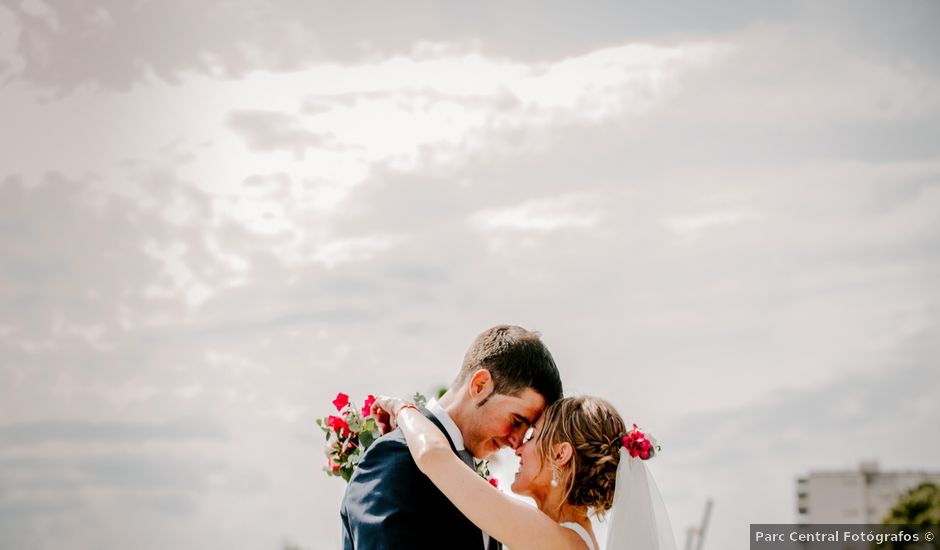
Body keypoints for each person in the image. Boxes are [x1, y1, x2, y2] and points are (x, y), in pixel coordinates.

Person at [340, 325, 563, 550]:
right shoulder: (396, 457)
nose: (516, 443)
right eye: (516, 421)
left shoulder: (470, 481)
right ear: (480, 385)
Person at [372, 395, 678, 550]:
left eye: (532, 437)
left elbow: (433, 454)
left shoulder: (560, 542)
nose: (517, 447)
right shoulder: (571, 539)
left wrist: (401, 410)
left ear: (561, 454)